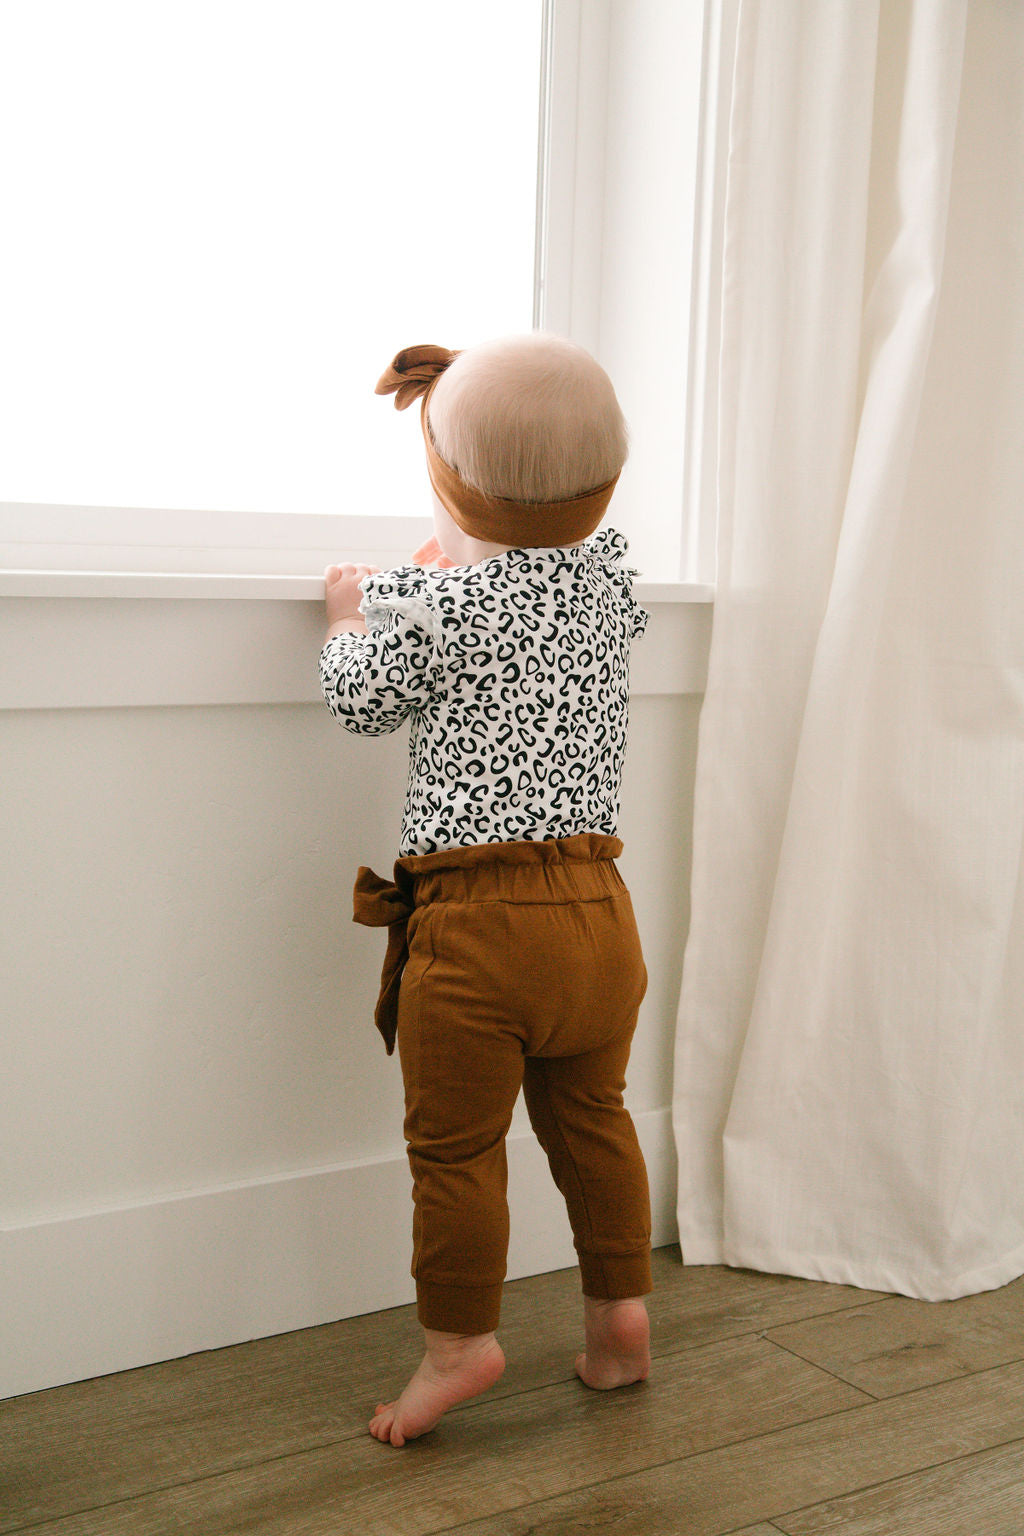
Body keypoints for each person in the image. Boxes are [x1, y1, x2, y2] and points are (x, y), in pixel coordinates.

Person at [320, 334, 652, 1448]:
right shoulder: (611, 586)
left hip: (478, 930)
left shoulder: (435, 602)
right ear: (604, 488)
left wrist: (347, 618)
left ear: (447, 484)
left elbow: (365, 702)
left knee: (458, 1153)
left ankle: (461, 1349)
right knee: (593, 1121)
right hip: (600, 916)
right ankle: (619, 1321)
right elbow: (540, 577)